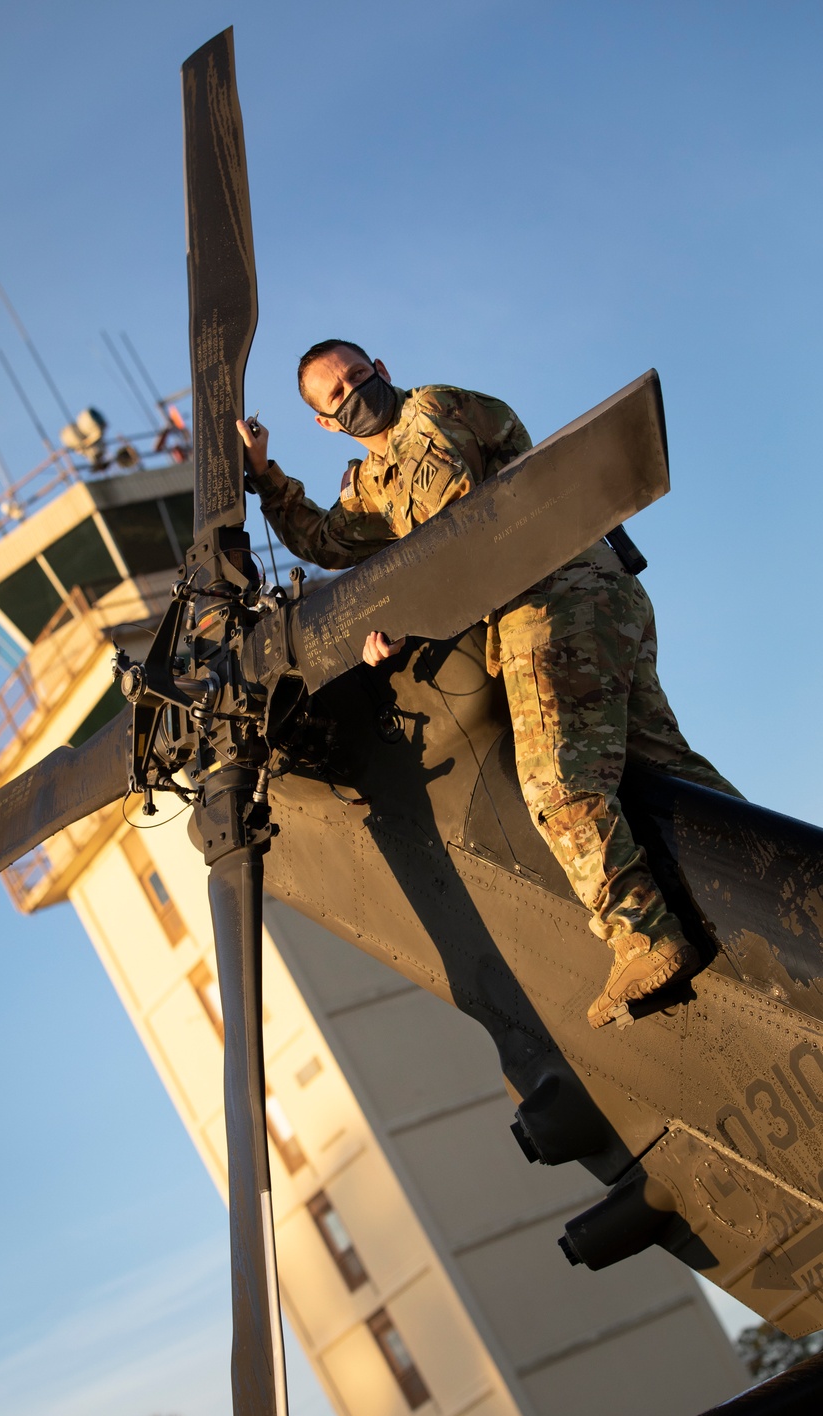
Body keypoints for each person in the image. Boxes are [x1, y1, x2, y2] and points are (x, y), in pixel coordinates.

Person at [237, 340, 741, 1029]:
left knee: (557, 781)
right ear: (327, 424)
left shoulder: (434, 414)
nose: (355, 394)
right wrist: (264, 477)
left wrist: (405, 623)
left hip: (551, 594)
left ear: (382, 370)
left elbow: (458, 529)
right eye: (337, 397)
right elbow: (327, 540)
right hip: (575, 601)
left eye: (359, 377)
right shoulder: (371, 484)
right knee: (663, 768)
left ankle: (643, 936)